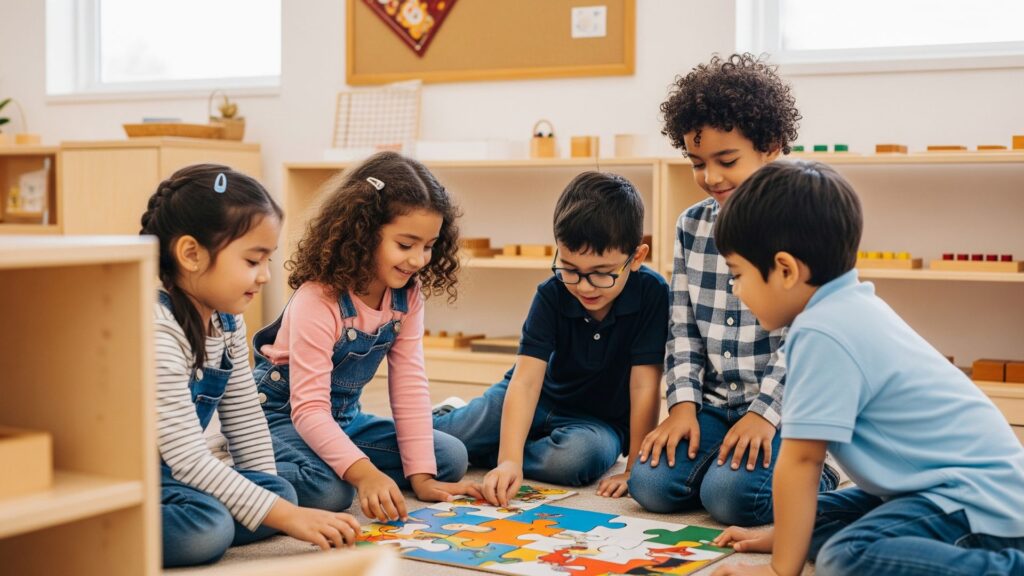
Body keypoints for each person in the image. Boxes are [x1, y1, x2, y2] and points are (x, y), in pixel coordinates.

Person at [709, 160, 1024, 576]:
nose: (736, 289)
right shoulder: (848, 306)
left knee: (846, 557)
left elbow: (803, 462)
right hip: (932, 488)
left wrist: (779, 570)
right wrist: (783, 535)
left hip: (974, 504)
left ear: (785, 270)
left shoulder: (822, 331)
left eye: (738, 274)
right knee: (822, 511)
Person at [629, 52, 839, 525]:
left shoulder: (804, 225)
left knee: (731, 499)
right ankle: (723, 466)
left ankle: (817, 474)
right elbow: (681, 326)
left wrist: (765, 413)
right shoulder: (691, 226)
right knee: (649, 482)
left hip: (785, 411)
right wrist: (682, 406)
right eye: (696, 162)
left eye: (726, 160)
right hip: (713, 406)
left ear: (771, 144)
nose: (710, 177)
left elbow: (808, 338)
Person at [142, 164, 360, 567]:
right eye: (252, 260)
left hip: (184, 474)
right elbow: (187, 458)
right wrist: (286, 517)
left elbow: (243, 414)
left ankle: (237, 504)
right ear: (191, 254)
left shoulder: (226, 319)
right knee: (207, 530)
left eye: (268, 260)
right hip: (142, 477)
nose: (264, 277)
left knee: (285, 495)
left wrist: (271, 490)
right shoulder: (158, 330)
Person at [253, 151, 478, 524]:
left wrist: (421, 477)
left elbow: (408, 382)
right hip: (280, 418)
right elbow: (308, 410)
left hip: (344, 419)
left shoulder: (408, 295)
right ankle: (239, 466)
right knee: (331, 490)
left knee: (448, 458)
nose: (419, 259)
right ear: (362, 232)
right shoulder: (317, 299)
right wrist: (364, 473)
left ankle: (345, 459)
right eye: (405, 245)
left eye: (429, 245)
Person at [434, 171, 668, 505]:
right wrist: (509, 461)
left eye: (601, 274)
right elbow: (526, 382)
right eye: (570, 269)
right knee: (439, 441)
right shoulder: (551, 293)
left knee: (576, 459)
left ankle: (494, 447)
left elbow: (645, 386)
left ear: (637, 257)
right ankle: (467, 426)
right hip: (534, 396)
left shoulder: (653, 294)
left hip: (596, 425)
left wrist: (634, 469)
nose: (584, 286)